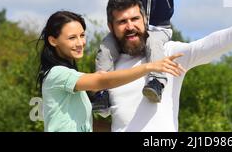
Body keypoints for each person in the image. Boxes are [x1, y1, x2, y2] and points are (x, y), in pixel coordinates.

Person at [96, 0, 232, 132]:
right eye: (122, 22)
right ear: (111, 27)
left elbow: (204, 47)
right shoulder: (108, 68)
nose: (130, 26)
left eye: (135, 19)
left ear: (145, 20)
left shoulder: (167, 53)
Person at [37, 10, 185, 132]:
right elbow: (100, 82)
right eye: (72, 38)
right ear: (53, 40)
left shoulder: (73, 80)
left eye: (82, 35)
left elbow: (87, 126)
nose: (80, 43)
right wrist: (149, 67)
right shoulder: (56, 74)